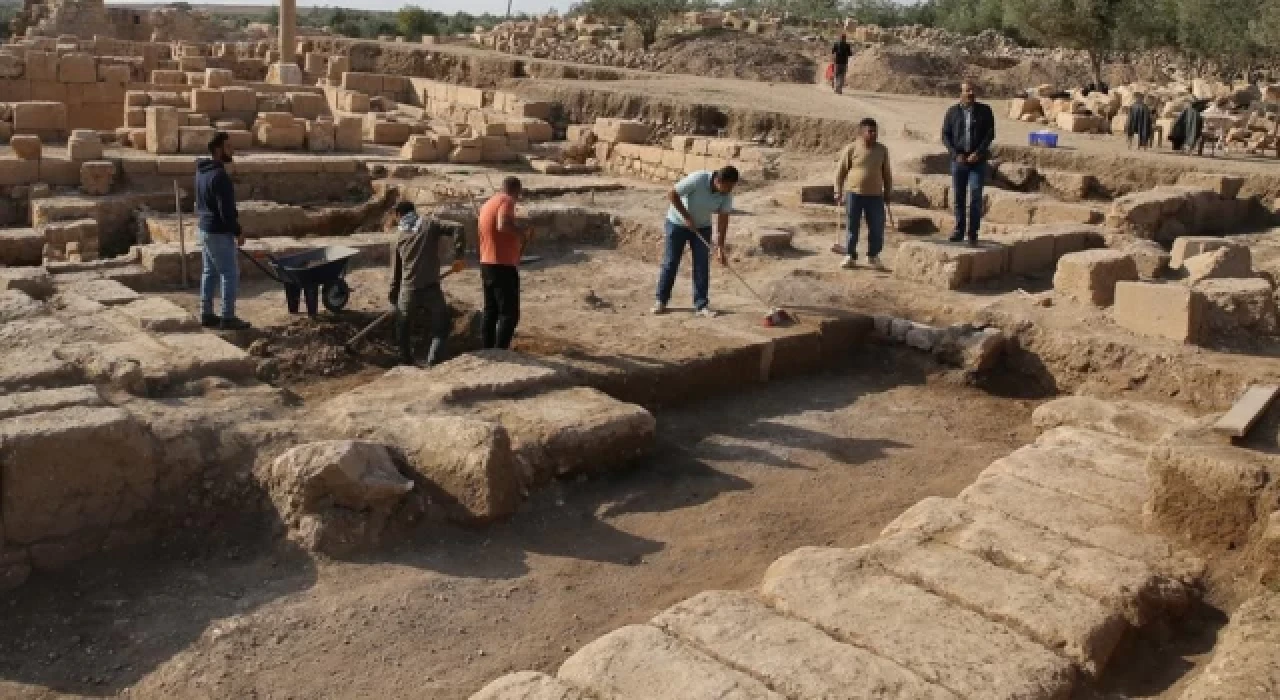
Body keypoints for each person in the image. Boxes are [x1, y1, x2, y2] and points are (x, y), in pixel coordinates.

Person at [653, 166, 739, 318]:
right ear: (718, 181)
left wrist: (720, 247)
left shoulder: (726, 194)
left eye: (732, 187)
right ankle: (661, 300)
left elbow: (723, 220)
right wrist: (686, 217)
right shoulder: (698, 179)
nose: (729, 190)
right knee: (671, 262)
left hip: (703, 228)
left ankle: (701, 304)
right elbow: (672, 194)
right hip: (677, 224)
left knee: (701, 265)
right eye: (728, 186)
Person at [388, 201, 464, 367]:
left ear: (399, 214)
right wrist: (459, 256)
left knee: (403, 328)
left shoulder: (398, 237)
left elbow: (396, 272)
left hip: (408, 290)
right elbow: (458, 227)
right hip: (431, 287)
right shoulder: (430, 224)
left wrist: (393, 296)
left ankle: (406, 361)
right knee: (441, 326)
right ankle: (433, 361)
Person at [195, 131, 249, 330]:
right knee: (229, 273)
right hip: (218, 232)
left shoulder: (202, 172)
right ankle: (228, 317)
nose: (232, 150)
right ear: (218, 150)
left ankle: (206, 313)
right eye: (228, 147)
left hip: (205, 229)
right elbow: (225, 211)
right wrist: (237, 231)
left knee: (209, 272)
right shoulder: (220, 177)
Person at [940, 81, 995, 246]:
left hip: (977, 160)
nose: (971, 93)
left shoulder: (985, 111)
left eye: (973, 90)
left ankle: (973, 232)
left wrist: (978, 153)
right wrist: (955, 154)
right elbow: (945, 135)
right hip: (959, 160)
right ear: (961, 93)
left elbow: (990, 134)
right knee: (959, 196)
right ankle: (959, 229)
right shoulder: (952, 112)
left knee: (976, 194)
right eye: (967, 90)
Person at [834, 117, 892, 270]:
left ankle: (873, 256)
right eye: (870, 131)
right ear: (861, 132)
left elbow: (887, 174)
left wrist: (888, 192)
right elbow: (840, 172)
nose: (873, 135)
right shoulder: (851, 149)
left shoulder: (882, 150)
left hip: (875, 196)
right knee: (852, 225)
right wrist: (837, 190)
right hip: (854, 193)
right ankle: (850, 255)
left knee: (877, 227)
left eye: (875, 132)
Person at [477, 176, 528, 350]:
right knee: (509, 314)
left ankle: (488, 350)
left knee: (491, 311)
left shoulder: (488, 203)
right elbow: (502, 225)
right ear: (516, 190)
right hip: (502, 264)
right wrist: (521, 233)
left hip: (487, 262)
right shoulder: (507, 201)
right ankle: (500, 351)